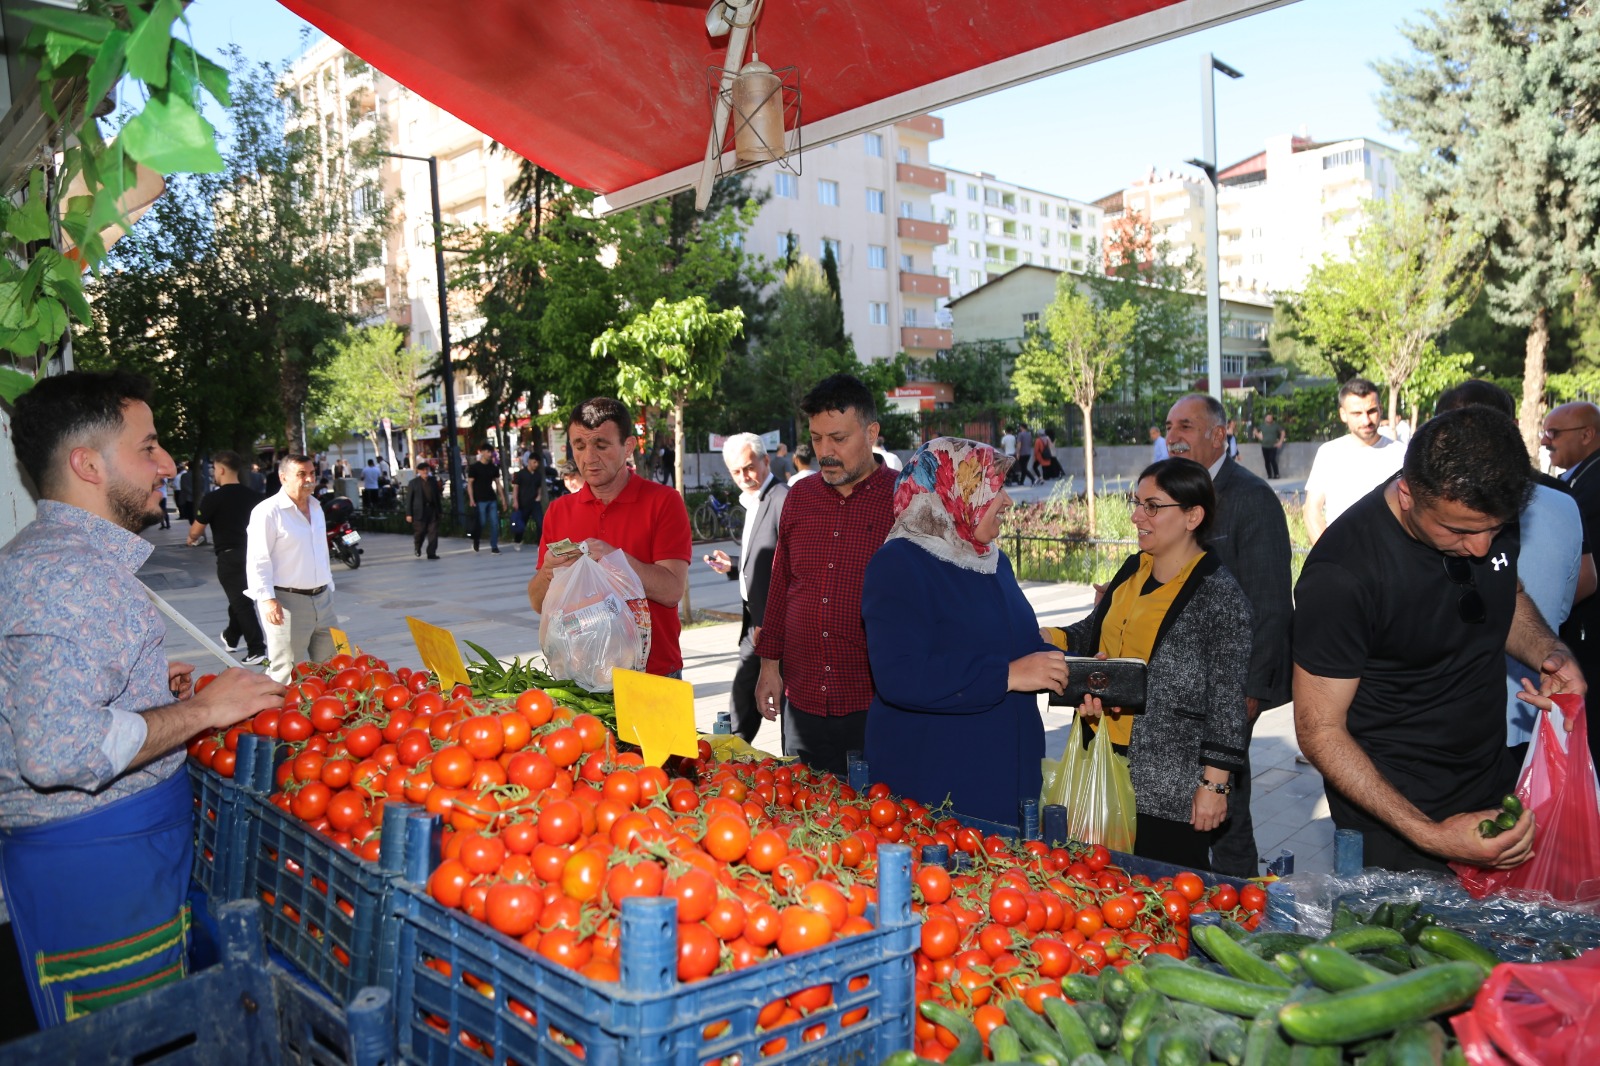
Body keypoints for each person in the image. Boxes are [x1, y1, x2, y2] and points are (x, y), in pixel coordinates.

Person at [0, 371, 284, 1028]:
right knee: (132, 1039)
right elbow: (57, 751)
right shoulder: (70, 573)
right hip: (97, 875)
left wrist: (149, 691)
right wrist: (203, 712)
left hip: (104, 863)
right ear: (87, 464)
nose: (167, 464)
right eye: (148, 447)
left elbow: (50, 703)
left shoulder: (50, 557)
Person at [1294, 405, 1585, 873]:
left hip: (1491, 783)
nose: (1481, 548)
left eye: (1495, 529)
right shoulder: (1343, 574)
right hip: (1396, 822)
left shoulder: (1484, 509)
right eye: (1458, 531)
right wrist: (1431, 834)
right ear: (1407, 494)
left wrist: (1549, 652)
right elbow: (1318, 731)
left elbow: (1504, 595)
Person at [1047, 458, 1252, 869]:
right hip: (1102, 755)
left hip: (1169, 786)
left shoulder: (1220, 596)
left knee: (1161, 900)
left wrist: (1215, 785)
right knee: (1097, 886)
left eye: (1152, 506)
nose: (1137, 516)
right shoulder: (1134, 568)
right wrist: (1036, 638)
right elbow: (1091, 633)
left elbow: (1228, 703)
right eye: (1136, 502)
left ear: (1193, 515)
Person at [862, 438, 1067, 825]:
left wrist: (1080, 675)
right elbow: (901, 676)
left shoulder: (990, 560)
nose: (1007, 500)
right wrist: (1007, 676)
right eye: (993, 486)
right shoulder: (899, 564)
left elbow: (1020, 646)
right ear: (954, 491)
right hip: (941, 787)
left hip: (1009, 776)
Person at [1165, 394, 1293, 876]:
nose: (1174, 435)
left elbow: (1272, 605)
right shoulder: (1182, 492)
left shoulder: (1250, 498)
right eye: (1169, 426)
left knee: (1225, 803)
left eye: (1187, 426)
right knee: (1192, 797)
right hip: (1184, 683)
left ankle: (1239, 903)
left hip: (1230, 689)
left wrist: (1251, 696)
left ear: (1220, 434)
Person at [1437, 383, 1592, 756]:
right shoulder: (1562, 499)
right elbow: (1584, 582)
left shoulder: (1425, 506)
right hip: (1536, 707)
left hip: (1454, 719)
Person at [755, 375, 896, 775]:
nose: (825, 452)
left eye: (838, 438)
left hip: (875, 704)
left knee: (875, 823)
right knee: (802, 817)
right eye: (817, 439)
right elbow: (781, 586)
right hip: (802, 705)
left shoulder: (904, 501)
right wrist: (768, 666)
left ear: (871, 433)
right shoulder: (799, 497)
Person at [530, 398, 693, 677]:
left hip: (653, 675)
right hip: (579, 678)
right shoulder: (559, 511)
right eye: (579, 446)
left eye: (601, 445)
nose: (589, 457)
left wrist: (614, 559)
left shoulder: (664, 502)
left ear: (628, 446)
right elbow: (537, 603)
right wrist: (547, 571)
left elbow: (671, 590)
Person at [703, 433, 789, 741]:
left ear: (766, 461)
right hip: (754, 625)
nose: (744, 477)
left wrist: (771, 625)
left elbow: (790, 565)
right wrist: (734, 565)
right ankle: (733, 769)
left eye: (749, 468)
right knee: (740, 712)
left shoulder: (782, 498)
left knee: (785, 719)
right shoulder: (754, 500)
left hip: (776, 630)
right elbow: (765, 556)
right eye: (736, 472)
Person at [1540, 400, 1600, 764]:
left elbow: (1585, 574)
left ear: (1588, 435)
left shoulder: (1589, 487)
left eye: (1554, 433)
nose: (1546, 441)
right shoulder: (1578, 480)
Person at [246, 454, 338, 684]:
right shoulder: (268, 511)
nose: (309, 479)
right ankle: (279, 717)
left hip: (323, 599)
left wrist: (329, 586)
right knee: (286, 673)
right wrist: (267, 599)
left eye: (312, 473)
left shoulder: (316, 507)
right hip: (286, 603)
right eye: (301, 474)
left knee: (332, 668)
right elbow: (258, 559)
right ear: (283, 477)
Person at [188, 451, 268, 666]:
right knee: (242, 599)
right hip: (255, 556)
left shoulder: (213, 498)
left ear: (221, 470)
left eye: (214, 469)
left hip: (230, 557)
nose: (214, 473)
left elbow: (196, 531)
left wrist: (191, 538)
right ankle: (231, 636)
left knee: (241, 603)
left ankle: (257, 649)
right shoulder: (254, 497)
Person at [1304, 378, 1405, 544]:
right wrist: (1327, 557)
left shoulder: (1401, 454)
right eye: (1357, 414)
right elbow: (1311, 511)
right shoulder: (1329, 453)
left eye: (1372, 411)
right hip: (1341, 554)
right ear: (1343, 414)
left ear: (1381, 409)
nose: (1366, 421)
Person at [466, 444, 504, 554]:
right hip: (480, 499)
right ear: (481, 452)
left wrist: (503, 498)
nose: (489, 454)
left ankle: (494, 546)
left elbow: (498, 484)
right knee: (481, 522)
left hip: (491, 498)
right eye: (487, 451)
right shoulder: (474, 467)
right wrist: (471, 499)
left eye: (490, 452)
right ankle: (476, 539)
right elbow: (470, 484)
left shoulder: (493, 467)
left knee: (494, 522)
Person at [405, 461, 443, 560]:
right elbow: (409, 499)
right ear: (419, 471)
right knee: (420, 532)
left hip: (432, 510)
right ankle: (417, 547)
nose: (425, 471)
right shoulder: (413, 483)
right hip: (419, 512)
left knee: (433, 533)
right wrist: (409, 514)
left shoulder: (433, 481)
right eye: (423, 470)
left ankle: (431, 552)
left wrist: (440, 511)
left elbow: (437, 497)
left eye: (427, 469)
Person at [510, 453, 548, 550]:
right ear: (529, 461)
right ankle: (517, 541)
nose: (536, 464)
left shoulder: (538, 475)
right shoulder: (520, 474)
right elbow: (515, 489)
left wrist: (539, 496)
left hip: (535, 503)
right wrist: (515, 501)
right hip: (523, 503)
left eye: (538, 463)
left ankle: (540, 544)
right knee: (521, 523)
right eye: (534, 462)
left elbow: (539, 487)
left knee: (540, 522)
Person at [1254, 413, 1285, 480]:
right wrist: (1258, 436)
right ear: (1265, 418)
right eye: (1268, 417)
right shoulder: (1262, 425)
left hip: (1273, 446)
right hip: (1264, 446)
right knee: (1267, 461)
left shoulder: (1276, 425)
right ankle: (1269, 475)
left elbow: (1282, 432)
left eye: (1271, 417)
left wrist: (1280, 442)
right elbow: (1255, 430)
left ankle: (1276, 474)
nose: (1269, 419)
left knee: (1272, 459)